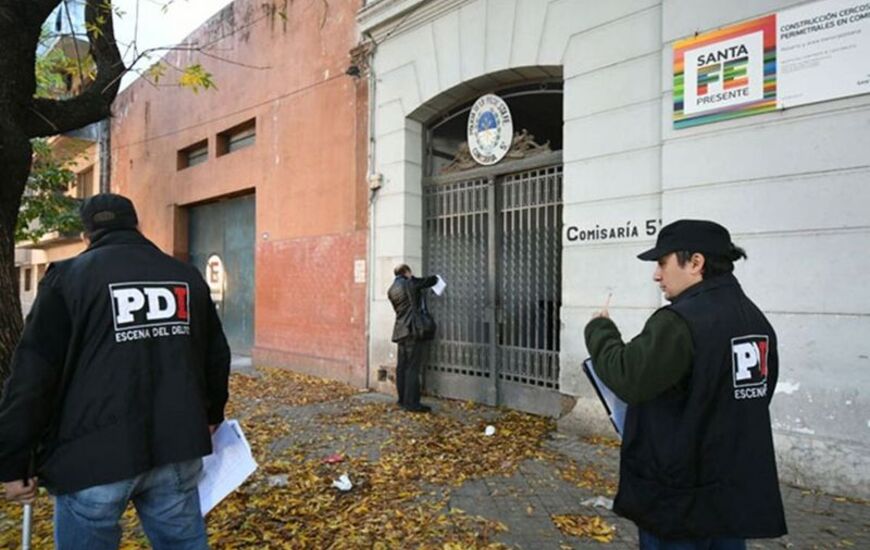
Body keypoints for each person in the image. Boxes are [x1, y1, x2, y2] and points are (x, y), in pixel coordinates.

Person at [0, 193, 231, 550]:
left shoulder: (68, 278)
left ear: (86, 236)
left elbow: (33, 376)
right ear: (137, 226)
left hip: (93, 456)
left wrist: (14, 461)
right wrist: (212, 413)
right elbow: (216, 355)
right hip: (175, 446)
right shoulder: (184, 275)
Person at [584, 219, 786, 549]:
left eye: (662, 263)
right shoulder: (753, 318)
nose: (656, 275)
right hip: (728, 495)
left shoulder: (679, 321)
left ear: (695, 262)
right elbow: (758, 393)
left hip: (679, 497)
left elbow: (628, 377)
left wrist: (600, 331)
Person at [387, 264, 438, 413]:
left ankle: (402, 400)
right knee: (412, 368)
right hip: (412, 331)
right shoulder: (409, 282)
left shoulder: (391, 289)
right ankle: (413, 404)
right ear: (407, 272)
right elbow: (428, 281)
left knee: (402, 367)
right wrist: (436, 278)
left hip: (400, 331)